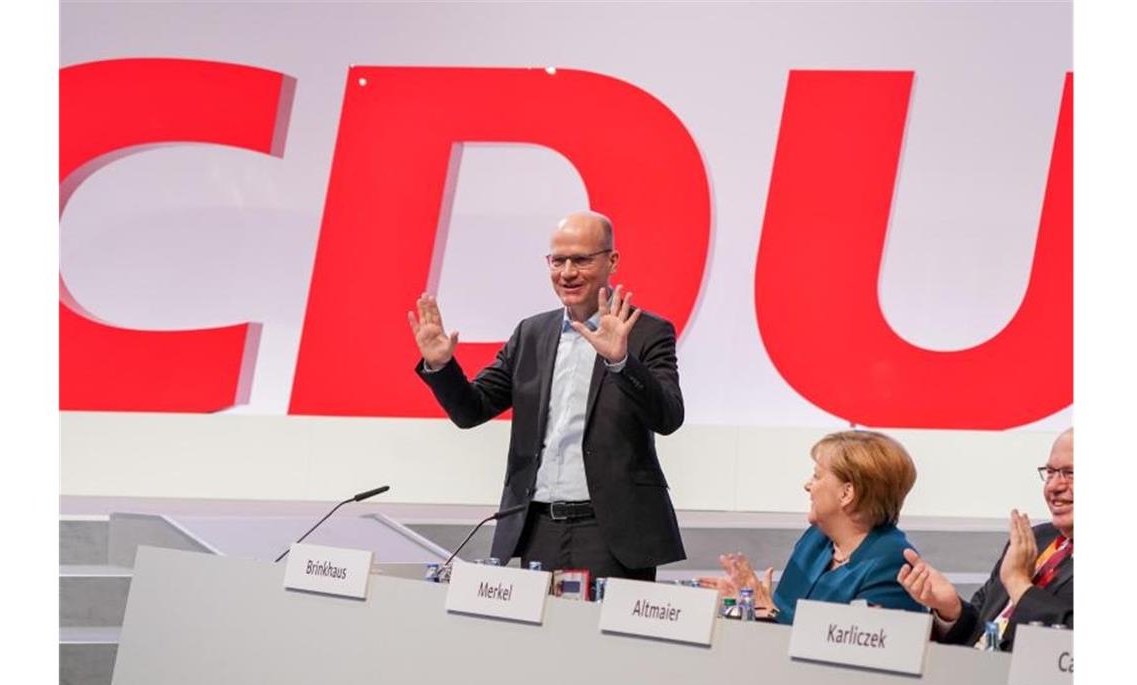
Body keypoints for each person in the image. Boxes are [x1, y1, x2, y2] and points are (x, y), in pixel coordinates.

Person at [408, 210, 685, 581]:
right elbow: (471, 410)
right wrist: (441, 367)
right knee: (536, 639)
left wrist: (620, 361)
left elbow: (668, 416)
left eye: (582, 260)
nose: (567, 272)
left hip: (612, 532)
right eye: (558, 260)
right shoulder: (531, 333)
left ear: (612, 261)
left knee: (604, 640)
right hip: (537, 527)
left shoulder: (647, 332)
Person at [702, 430, 926, 624]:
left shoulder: (893, 565)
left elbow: (846, 652)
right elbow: (780, 621)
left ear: (847, 493)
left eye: (817, 476)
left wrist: (763, 610)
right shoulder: (816, 540)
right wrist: (744, 607)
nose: (808, 485)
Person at [897, 428, 1073, 650]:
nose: (1053, 486)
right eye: (1050, 472)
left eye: (1070, 473)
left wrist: (1019, 585)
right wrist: (951, 610)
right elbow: (982, 627)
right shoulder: (1035, 539)